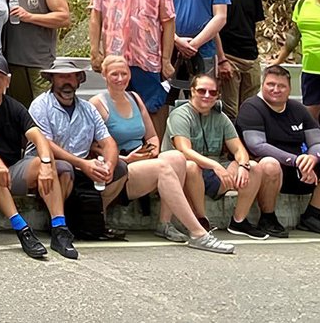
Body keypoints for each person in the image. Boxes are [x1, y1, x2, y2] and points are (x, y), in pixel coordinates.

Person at [89, 56, 235, 253]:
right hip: (117, 167)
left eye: (124, 73)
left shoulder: (135, 98)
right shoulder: (97, 103)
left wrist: (153, 150)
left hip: (142, 160)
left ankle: (164, 223)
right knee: (163, 167)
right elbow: (91, 146)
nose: (120, 78)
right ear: (105, 75)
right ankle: (199, 234)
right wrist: (125, 159)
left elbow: (151, 136)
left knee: (176, 157)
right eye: (114, 74)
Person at [237, 66, 320, 236]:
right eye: (271, 84)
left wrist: (311, 158)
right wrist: (295, 161)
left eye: (281, 86)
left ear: (289, 88)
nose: (276, 89)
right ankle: (267, 217)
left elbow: (319, 142)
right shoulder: (251, 107)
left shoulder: (297, 109)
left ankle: (312, 216)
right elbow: (256, 145)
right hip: (277, 170)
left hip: (303, 167)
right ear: (262, 85)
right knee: (269, 164)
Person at [0, 58, 70, 259]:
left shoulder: (15, 107)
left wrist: (47, 164)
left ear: (8, 81)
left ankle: (59, 228)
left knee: (47, 162)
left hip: (12, 169)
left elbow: (37, 136)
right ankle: (22, 229)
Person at [167, 72, 284, 240]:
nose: (207, 96)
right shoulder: (180, 115)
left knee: (254, 167)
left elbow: (238, 149)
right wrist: (215, 166)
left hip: (215, 173)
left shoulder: (220, 117)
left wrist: (243, 166)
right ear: (192, 91)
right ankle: (201, 220)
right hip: (186, 174)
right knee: (191, 167)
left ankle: (239, 221)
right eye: (201, 91)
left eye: (212, 92)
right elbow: (184, 150)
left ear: (218, 95)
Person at [88, 0, 176, 136]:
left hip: (147, 60)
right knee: (115, 109)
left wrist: (166, 60)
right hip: (115, 59)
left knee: (153, 107)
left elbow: (169, 23)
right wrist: (95, 51)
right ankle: (122, 155)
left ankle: (154, 154)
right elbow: (95, 17)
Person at [29, 64, 125, 241]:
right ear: (52, 80)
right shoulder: (40, 105)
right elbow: (46, 144)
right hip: (46, 164)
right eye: (61, 77)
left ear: (78, 80)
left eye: (71, 77)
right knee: (64, 168)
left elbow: (108, 141)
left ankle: (96, 218)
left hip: (82, 167)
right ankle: (57, 223)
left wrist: (109, 166)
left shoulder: (88, 109)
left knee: (120, 168)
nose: (67, 82)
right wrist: (82, 164)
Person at [0, 0, 72, 108]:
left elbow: (64, 17)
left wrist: (30, 17)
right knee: (18, 110)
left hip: (40, 61)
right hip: (11, 61)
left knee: (46, 109)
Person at [217, 0, 264, 119]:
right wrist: (221, 59)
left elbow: (255, 27)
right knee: (230, 111)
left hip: (251, 58)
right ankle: (230, 146)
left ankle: (249, 144)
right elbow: (214, 28)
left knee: (250, 109)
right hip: (229, 56)